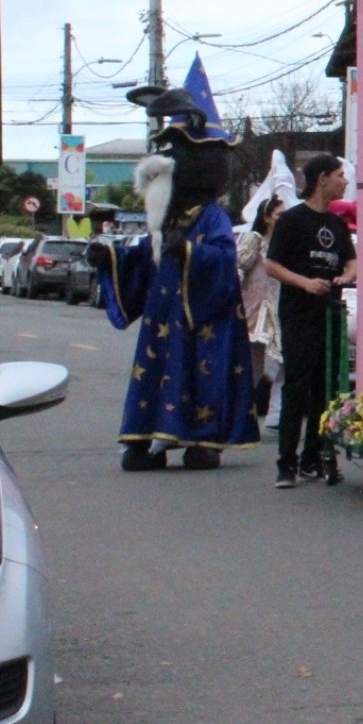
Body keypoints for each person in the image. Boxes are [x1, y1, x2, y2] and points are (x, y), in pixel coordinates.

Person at [93, 87, 256, 470]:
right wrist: (111, 256)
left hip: (201, 322)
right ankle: (147, 437)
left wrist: (187, 252)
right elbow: (144, 257)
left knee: (200, 376)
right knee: (154, 375)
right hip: (163, 315)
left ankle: (202, 439)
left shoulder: (211, 216)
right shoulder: (166, 218)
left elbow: (222, 259)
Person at [266, 155, 355, 489]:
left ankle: (313, 457)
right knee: (297, 386)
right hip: (298, 314)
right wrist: (304, 282)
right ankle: (286, 463)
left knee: (325, 388)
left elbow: (351, 262)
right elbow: (271, 265)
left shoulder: (337, 225)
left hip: (329, 314)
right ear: (321, 179)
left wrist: (345, 276)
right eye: (339, 175)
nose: (344, 181)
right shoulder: (291, 220)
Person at [238, 196, 284, 431]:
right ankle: (239, 414)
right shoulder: (253, 239)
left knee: (283, 362)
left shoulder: (283, 242)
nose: (283, 219)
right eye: (279, 215)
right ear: (266, 217)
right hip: (254, 310)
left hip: (276, 311)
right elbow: (237, 269)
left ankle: (276, 415)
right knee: (252, 366)